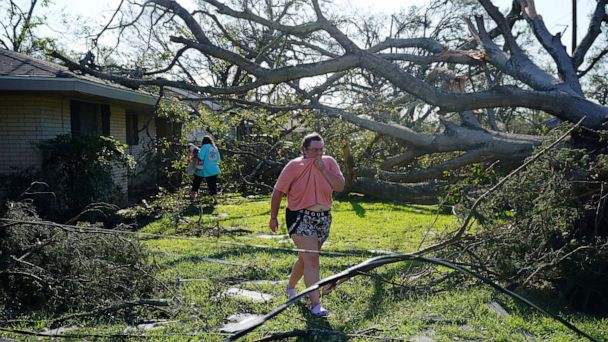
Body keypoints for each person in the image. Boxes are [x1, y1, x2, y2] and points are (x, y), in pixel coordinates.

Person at [269, 132, 345, 317]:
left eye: (321, 150)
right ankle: (316, 304)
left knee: (306, 258)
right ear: (303, 149)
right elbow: (278, 192)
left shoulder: (329, 162)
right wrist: (273, 217)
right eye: (314, 150)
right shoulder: (294, 166)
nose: (318, 154)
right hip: (300, 215)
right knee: (312, 260)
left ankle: (290, 288)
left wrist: (324, 170)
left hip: (323, 217)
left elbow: (340, 186)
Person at [191, 136, 221, 204]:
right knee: (212, 185)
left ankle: (193, 196)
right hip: (213, 169)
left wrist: (197, 152)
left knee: (196, 182)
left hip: (203, 168)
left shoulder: (204, 147)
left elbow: (201, 156)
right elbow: (218, 159)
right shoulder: (215, 147)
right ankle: (215, 199)